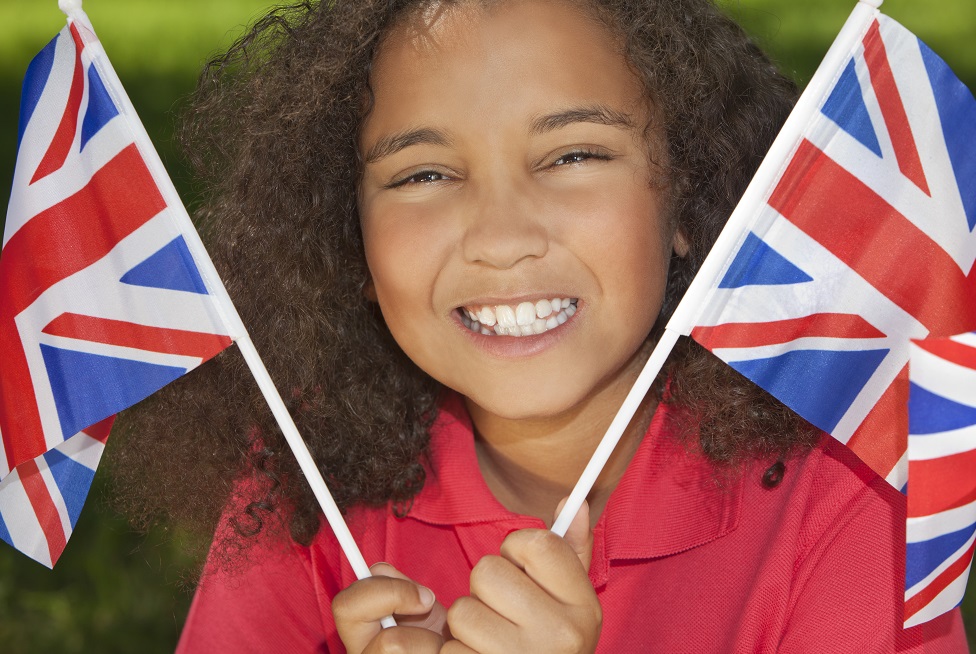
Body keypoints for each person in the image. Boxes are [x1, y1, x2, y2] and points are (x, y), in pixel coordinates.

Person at [111, 0, 969, 651]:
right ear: (350, 238)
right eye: (423, 174)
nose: (503, 240)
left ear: (687, 194)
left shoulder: (851, 488)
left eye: (573, 156)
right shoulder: (303, 474)